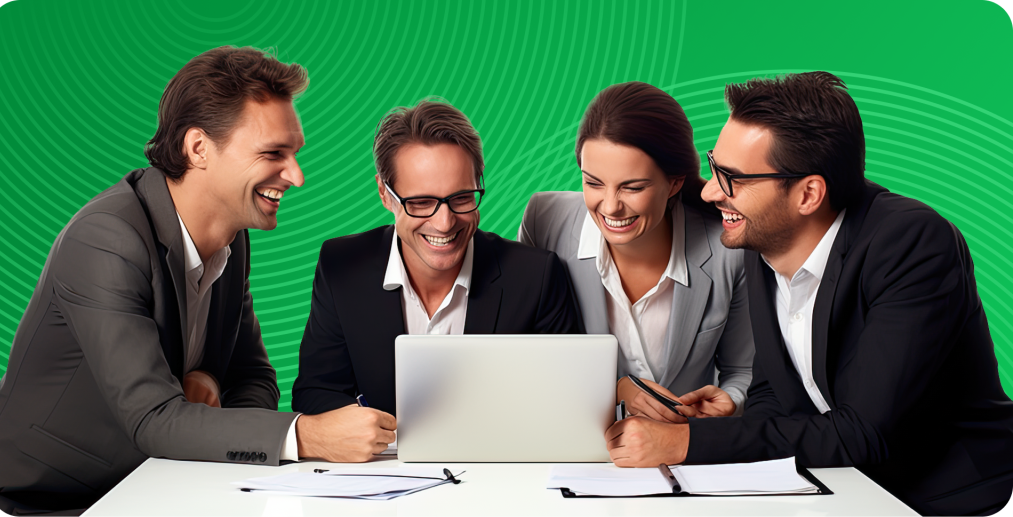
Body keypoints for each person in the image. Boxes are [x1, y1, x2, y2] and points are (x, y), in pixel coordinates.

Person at [603, 72, 1013, 517]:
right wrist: (736, 422)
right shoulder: (764, 241)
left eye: (732, 178)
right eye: (713, 166)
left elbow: (865, 432)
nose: (710, 190)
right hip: (845, 490)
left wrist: (689, 442)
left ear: (808, 194)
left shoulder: (911, 242)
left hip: (953, 499)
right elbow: (774, 393)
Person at [0, 46, 347, 516]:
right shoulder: (106, 240)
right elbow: (154, 419)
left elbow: (254, 377)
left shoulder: (231, 239)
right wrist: (307, 435)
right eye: (273, 154)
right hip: (49, 498)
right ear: (198, 148)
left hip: (158, 484)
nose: (296, 177)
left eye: (294, 154)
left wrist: (210, 382)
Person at [291, 99, 582, 457]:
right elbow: (315, 391)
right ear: (385, 194)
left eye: (461, 198)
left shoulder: (536, 275)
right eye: (421, 202)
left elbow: (569, 403)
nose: (444, 223)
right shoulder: (341, 266)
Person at [519, 82, 753, 418]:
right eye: (593, 183)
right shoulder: (545, 222)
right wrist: (612, 389)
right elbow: (528, 356)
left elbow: (743, 371)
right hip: (578, 447)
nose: (611, 207)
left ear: (674, 182)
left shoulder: (727, 248)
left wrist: (730, 404)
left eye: (633, 187)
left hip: (683, 450)